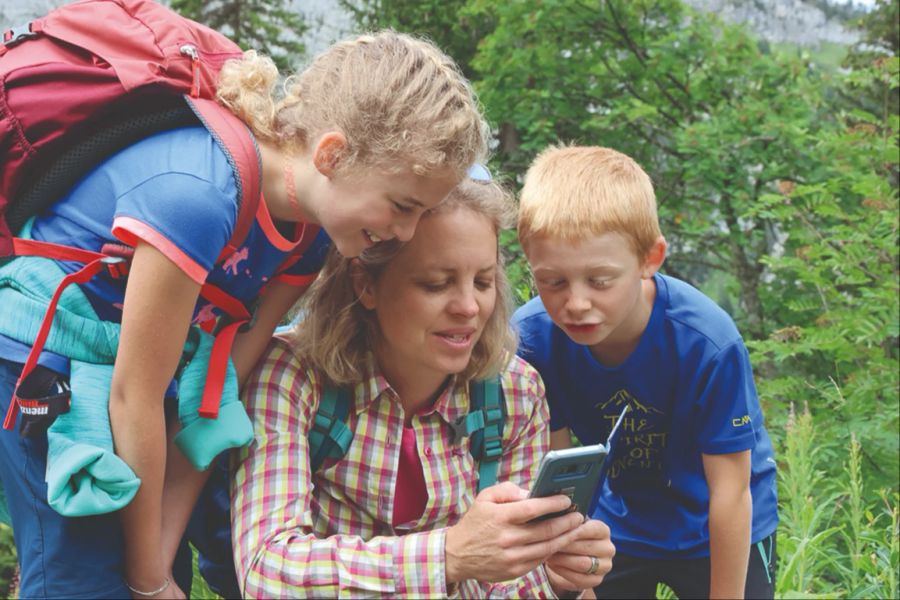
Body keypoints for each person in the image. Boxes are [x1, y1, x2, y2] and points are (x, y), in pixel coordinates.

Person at [0, 30, 487, 599]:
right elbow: (135, 396)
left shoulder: (311, 236)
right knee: (78, 575)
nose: (403, 234)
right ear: (330, 155)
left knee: (158, 567)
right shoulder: (198, 197)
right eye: (402, 206)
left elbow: (210, 399)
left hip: (140, 374)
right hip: (47, 358)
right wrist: (145, 578)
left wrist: (155, 565)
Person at [231, 173, 616, 598]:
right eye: (436, 283)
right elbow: (266, 571)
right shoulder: (294, 374)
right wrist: (448, 555)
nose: (469, 307)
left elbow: (509, 587)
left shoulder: (515, 393)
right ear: (366, 285)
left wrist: (556, 580)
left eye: (484, 282)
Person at [512, 146, 779, 599]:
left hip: (720, 523)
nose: (576, 303)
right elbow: (555, 486)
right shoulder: (534, 340)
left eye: (600, 281)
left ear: (649, 259)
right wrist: (579, 587)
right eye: (553, 281)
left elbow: (731, 493)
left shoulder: (707, 343)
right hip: (617, 523)